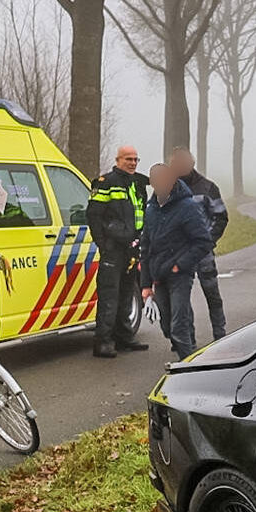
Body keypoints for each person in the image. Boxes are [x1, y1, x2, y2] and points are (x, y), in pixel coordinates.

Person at [139, 163, 215, 361]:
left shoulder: (187, 207)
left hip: (180, 275)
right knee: (167, 327)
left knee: (178, 326)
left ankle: (190, 366)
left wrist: (179, 265)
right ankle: (191, 350)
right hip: (158, 275)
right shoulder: (151, 209)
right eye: (155, 181)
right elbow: (146, 247)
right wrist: (145, 284)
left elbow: (203, 242)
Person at [85, 144, 149, 358]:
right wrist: (103, 245)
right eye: (128, 159)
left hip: (131, 247)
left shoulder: (138, 184)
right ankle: (103, 341)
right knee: (109, 295)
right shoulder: (107, 183)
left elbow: (140, 213)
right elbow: (94, 215)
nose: (132, 163)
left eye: (135, 159)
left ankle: (124, 337)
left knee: (126, 293)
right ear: (118, 160)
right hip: (113, 249)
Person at [167, 147, 228, 342]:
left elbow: (221, 217)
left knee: (212, 295)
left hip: (203, 254)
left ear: (191, 163)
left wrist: (207, 241)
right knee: (181, 300)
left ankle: (220, 336)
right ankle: (188, 341)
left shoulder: (208, 187)